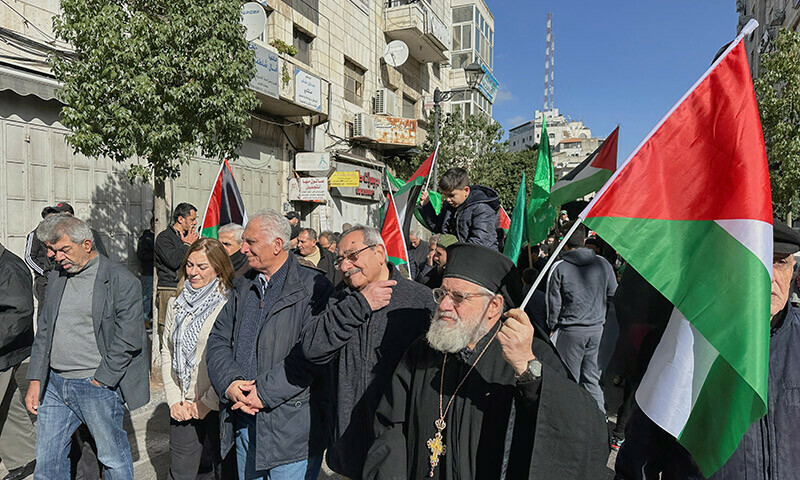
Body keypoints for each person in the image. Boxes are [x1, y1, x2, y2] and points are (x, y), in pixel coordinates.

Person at [363, 243, 608, 479]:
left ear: (493, 306)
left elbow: (579, 432)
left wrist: (528, 371)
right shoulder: (423, 350)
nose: (444, 305)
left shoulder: (528, 353)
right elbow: (390, 425)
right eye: (442, 294)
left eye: (458, 297)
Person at [614, 218, 800, 480]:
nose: (767, 275)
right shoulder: (684, 341)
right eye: (755, 259)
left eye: (779, 262)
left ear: (793, 270)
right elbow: (637, 465)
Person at [300, 225, 436, 479]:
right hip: (347, 441)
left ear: (380, 253)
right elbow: (312, 348)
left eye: (353, 255)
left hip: (398, 446)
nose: (345, 266)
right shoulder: (339, 300)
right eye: (340, 259)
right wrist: (359, 304)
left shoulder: (420, 301)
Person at [206, 210, 333, 480]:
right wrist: (230, 383)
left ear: (277, 245)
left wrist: (262, 393)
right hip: (245, 420)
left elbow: (313, 357)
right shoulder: (243, 286)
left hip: (291, 429)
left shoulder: (314, 288)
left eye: (250, 242)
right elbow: (218, 340)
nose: (243, 249)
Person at [25, 214, 150, 480]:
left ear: (86, 244)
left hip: (95, 386)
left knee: (113, 459)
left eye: (63, 249)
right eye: (53, 250)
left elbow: (128, 338)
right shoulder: (58, 277)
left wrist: (102, 381)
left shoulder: (121, 280)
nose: (57, 257)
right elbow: (45, 329)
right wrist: (36, 379)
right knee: (47, 466)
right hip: (55, 387)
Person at [162, 238, 235, 480]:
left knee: (217, 472)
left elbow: (232, 359)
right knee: (181, 473)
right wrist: (174, 399)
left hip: (218, 403)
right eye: (189, 265)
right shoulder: (176, 303)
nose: (193, 272)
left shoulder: (229, 304)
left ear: (219, 268)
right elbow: (167, 352)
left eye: (202, 266)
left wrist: (207, 402)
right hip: (184, 404)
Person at [546, 225, 617, 414]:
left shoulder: (559, 267)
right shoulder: (604, 264)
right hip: (597, 330)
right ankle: (600, 424)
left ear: (564, 242)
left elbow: (553, 304)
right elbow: (614, 296)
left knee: (569, 381)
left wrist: (551, 326)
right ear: (584, 240)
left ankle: (570, 424)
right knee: (592, 380)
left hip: (570, 332)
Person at [0, 242, 37, 480]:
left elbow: (19, 313)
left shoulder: (10, 267)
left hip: (3, 350)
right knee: (8, 404)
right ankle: (26, 456)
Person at [25, 203, 108, 304]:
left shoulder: (90, 234)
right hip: (49, 283)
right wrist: (45, 274)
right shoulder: (40, 235)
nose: (51, 254)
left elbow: (103, 261)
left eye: (65, 249)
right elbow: (30, 257)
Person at [418, 167, 500, 250]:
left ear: (466, 190)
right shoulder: (449, 206)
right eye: (445, 195)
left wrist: (451, 248)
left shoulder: (481, 209)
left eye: (452, 195)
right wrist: (426, 205)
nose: (448, 199)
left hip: (481, 259)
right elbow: (438, 227)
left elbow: (480, 243)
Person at [155, 203, 199, 342]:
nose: (195, 223)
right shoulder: (164, 238)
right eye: (192, 219)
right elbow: (173, 261)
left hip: (189, 288)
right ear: (180, 219)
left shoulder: (190, 237)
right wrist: (186, 245)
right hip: (169, 288)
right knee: (168, 331)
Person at [137, 216, 155, 328]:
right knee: (146, 296)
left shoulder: (161, 236)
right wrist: (155, 254)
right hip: (148, 272)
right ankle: (145, 320)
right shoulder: (145, 237)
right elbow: (141, 255)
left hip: (160, 272)